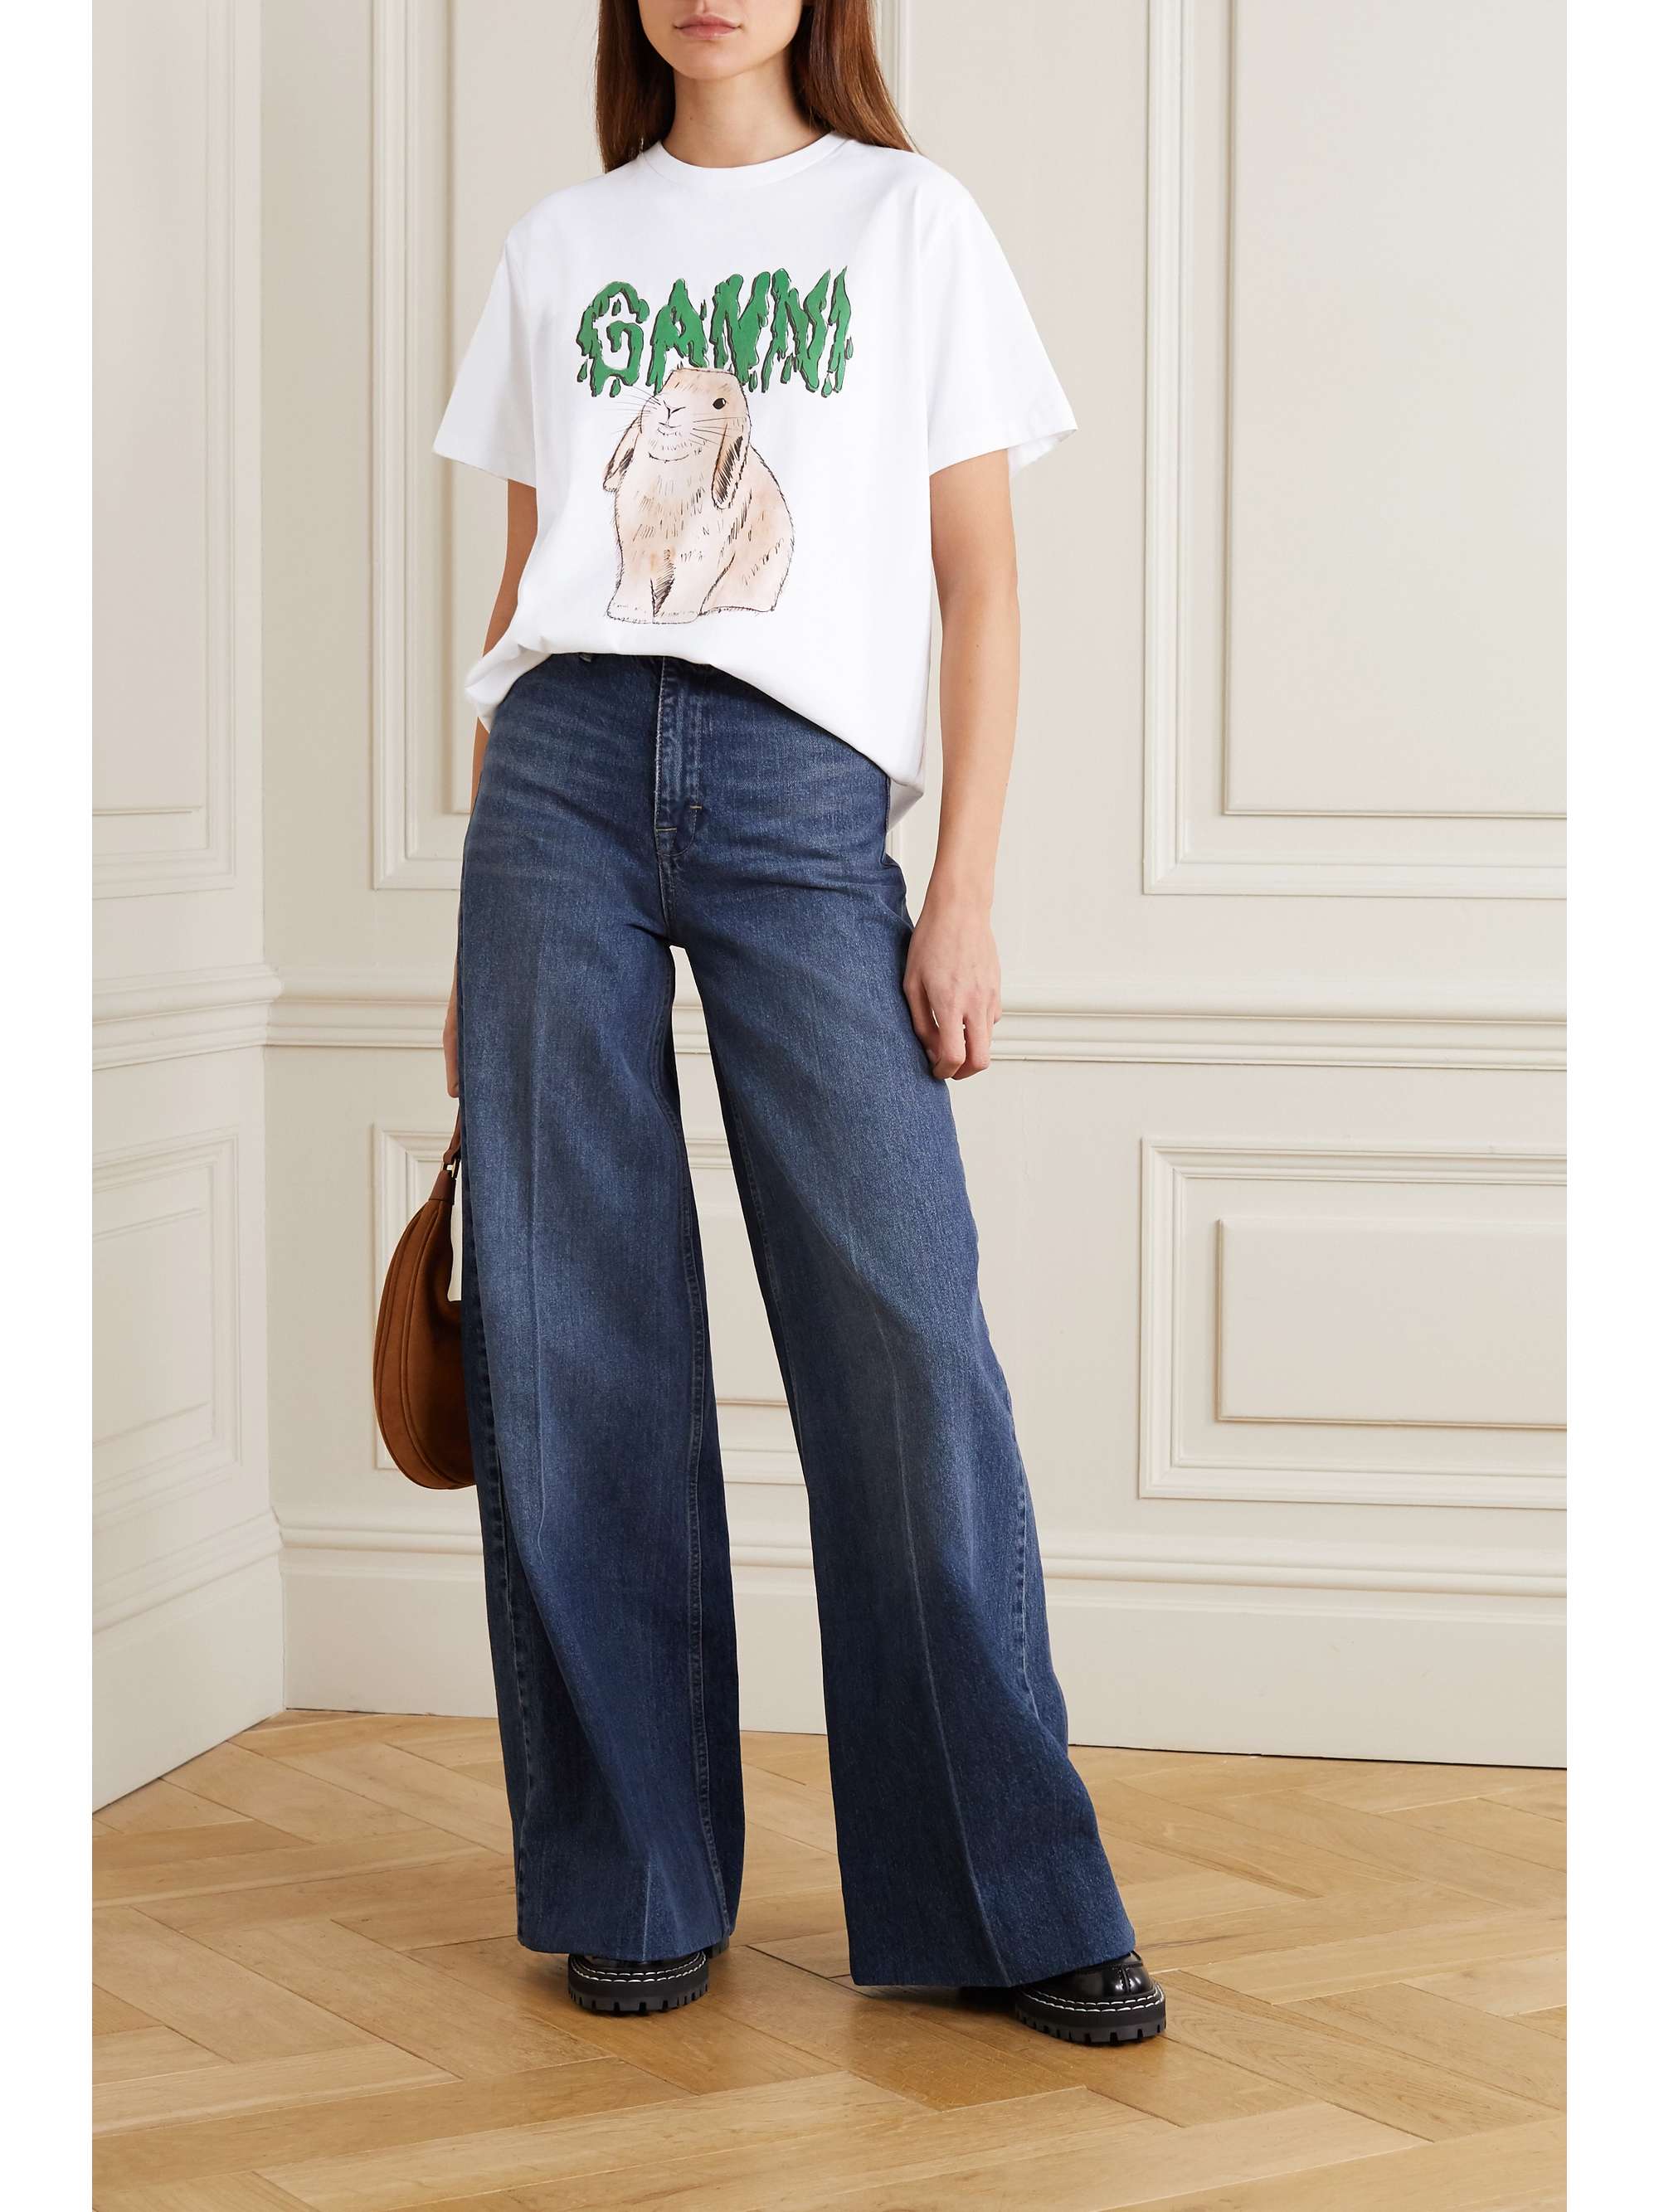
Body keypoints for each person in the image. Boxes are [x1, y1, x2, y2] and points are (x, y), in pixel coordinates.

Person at [434, 0, 1163, 2048]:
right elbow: (523, 591)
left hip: (801, 788)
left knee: (902, 1330)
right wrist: (470, 943)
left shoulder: (907, 220)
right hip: (559, 779)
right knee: (575, 1340)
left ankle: (1000, 1894)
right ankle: (633, 1874)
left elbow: (978, 581)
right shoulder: (563, 246)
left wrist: (966, 888)